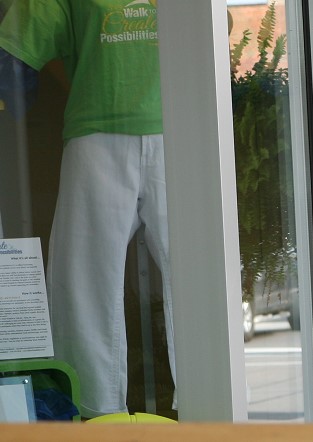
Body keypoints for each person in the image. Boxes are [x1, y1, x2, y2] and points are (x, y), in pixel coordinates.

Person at [1, 0, 174, 418]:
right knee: (84, 284)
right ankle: (97, 413)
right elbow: (17, 49)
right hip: (96, 134)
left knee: (202, 278)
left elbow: (209, 28)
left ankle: (213, 400)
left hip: (178, 127)